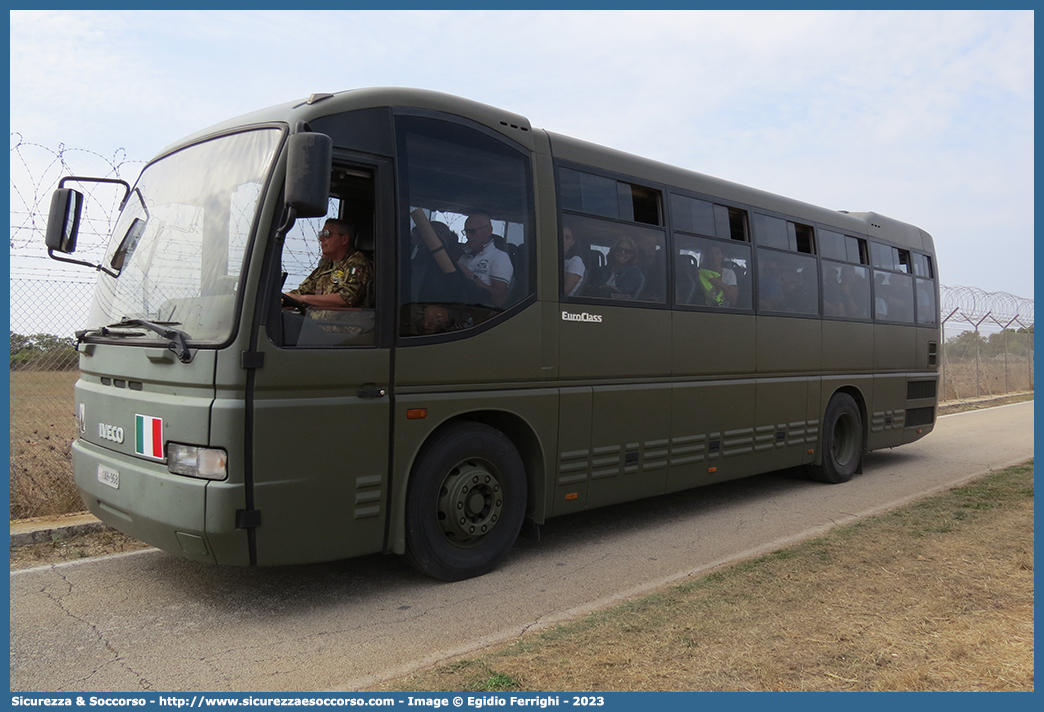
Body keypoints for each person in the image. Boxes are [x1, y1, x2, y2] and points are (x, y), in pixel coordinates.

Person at [285, 218, 372, 311]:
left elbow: (345, 299)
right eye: (320, 234)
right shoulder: (325, 267)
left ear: (344, 239)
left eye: (326, 234)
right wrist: (284, 300)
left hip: (343, 324)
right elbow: (300, 293)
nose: (321, 239)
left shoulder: (357, 263)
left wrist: (303, 299)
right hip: (315, 323)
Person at [456, 212, 513, 308]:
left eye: (473, 231)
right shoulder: (463, 257)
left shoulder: (499, 257)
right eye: (466, 232)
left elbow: (499, 299)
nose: (468, 236)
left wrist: (472, 277)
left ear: (489, 230)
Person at [634, 232, 665, 302]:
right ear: (639, 246)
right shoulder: (633, 267)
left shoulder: (662, 268)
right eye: (648, 243)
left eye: (654, 244)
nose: (652, 246)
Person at [562, 227, 586, 297]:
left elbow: (564, 291)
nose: (563, 240)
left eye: (567, 237)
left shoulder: (575, 261)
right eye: (560, 236)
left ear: (573, 242)